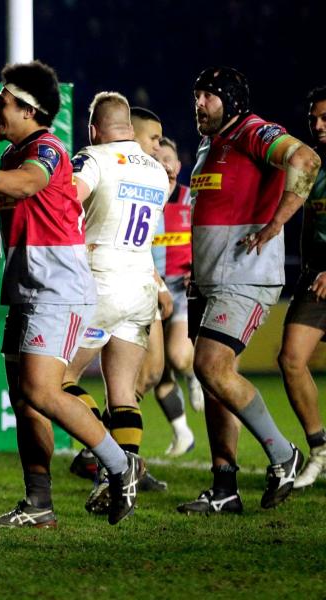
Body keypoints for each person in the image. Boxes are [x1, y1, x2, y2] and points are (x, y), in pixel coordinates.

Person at [0, 61, 144, 528]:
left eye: (4, 103)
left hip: (58, 290)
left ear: (30, 110)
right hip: (28, 288)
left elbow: (30, 182)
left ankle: (120, 468)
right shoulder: (15, 156)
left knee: (41, 389)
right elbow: (5, 193)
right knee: (24, 398)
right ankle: (39, 503)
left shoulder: (49, 148)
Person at [177, 66, 320, 514]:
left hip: (243, 278)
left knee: (213, 366)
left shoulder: (253, 130)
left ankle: (284, 454)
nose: (198, 103)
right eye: (196, 95)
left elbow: (306, 160)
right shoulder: (209, 145)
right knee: (212, 376)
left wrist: (277, 222)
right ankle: (225, 488)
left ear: (232, 101)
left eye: (208, 96)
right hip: (208, 279)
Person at [60, 92, 168, 517]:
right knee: (123, 392)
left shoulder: (94, 157)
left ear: (94, 129)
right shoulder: (156, 169)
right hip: (141, 285)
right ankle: (120, 482)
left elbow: (67, 200)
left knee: (57, 381)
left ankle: (114, 463)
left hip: (100, 282)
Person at [278, 85, 326, 489]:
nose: (317, 125)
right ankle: (320, 450)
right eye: (313, 118)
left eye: (325, 117)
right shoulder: (311, 163)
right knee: (291, 359)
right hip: (314, 279)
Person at [152, 136, 200, 457]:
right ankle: (182, 433)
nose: (164, 164)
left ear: (178, 165)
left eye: (168, 158)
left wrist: (197, 268)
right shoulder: (146, 200)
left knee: (179, 356)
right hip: (152, 290)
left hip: (182, 290)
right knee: (157, 371)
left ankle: (195, 375)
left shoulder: (191, 199)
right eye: (157, 159)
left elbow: (208, 237)